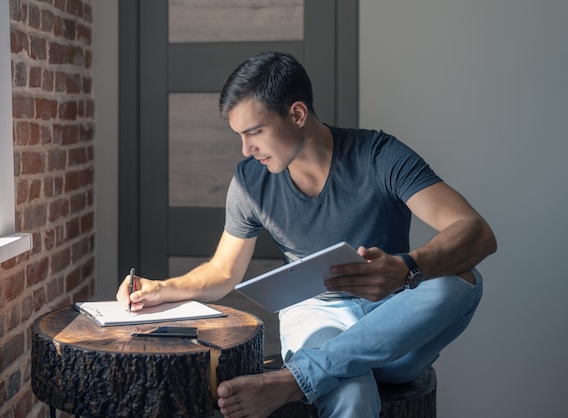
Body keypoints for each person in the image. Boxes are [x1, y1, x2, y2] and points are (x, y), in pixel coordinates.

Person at [117, 51, 497, 418]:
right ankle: (308, 375)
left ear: (297, 114)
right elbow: (223, 271)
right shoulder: (250, 181)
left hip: (392, 322)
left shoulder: (380, 155)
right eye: (240, 136)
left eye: (255, 133)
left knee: (463, 281)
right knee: (350, 391)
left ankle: (293, 379)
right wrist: (161, 288)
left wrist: (406, 267)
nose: (247, 150)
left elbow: (476, 232)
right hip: (317, 313)